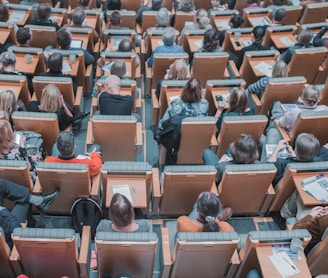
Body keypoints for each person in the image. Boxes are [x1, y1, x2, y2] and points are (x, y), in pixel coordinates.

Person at [0, 179, 59, 246]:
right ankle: (31, 222)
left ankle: (39, 202)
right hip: (10, 238)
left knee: (1, 185)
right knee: (25, 201)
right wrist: (2, 211)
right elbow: (15, 228)